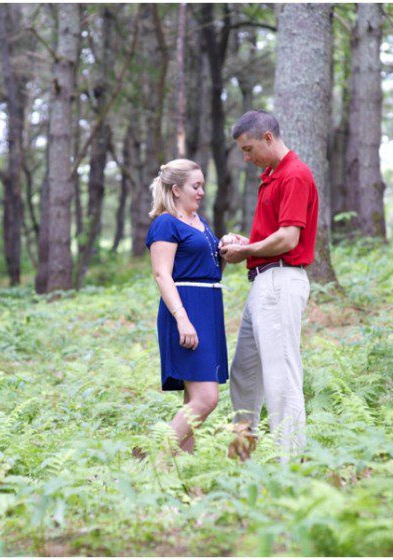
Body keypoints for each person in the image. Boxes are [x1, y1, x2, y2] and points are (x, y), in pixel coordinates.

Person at [219, 110, 317, 459]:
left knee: (281, 374)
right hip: (263, 281)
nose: (246, 158)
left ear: (268, 138)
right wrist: (246, 243)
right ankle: (242, 458)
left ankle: (290, 464)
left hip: (280, 280)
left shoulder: (294, 175)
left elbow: (289, 239)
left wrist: (246, 250)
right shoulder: (271, 176)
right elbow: (273, 235)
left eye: (248, 149)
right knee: (244, 373)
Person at [146, 159, 228, 453]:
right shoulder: (166, 223)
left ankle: (184, 477)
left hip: (208, 310)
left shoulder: (199, 223)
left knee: (193, 401)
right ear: (176, 189)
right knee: (206, 399)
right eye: (196, 186)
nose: (202, 191)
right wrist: (182, 318)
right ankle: (152, 455)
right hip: (186, 310)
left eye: (202, 185)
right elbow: (162, 274)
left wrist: (227, 245)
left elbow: (206, 265)